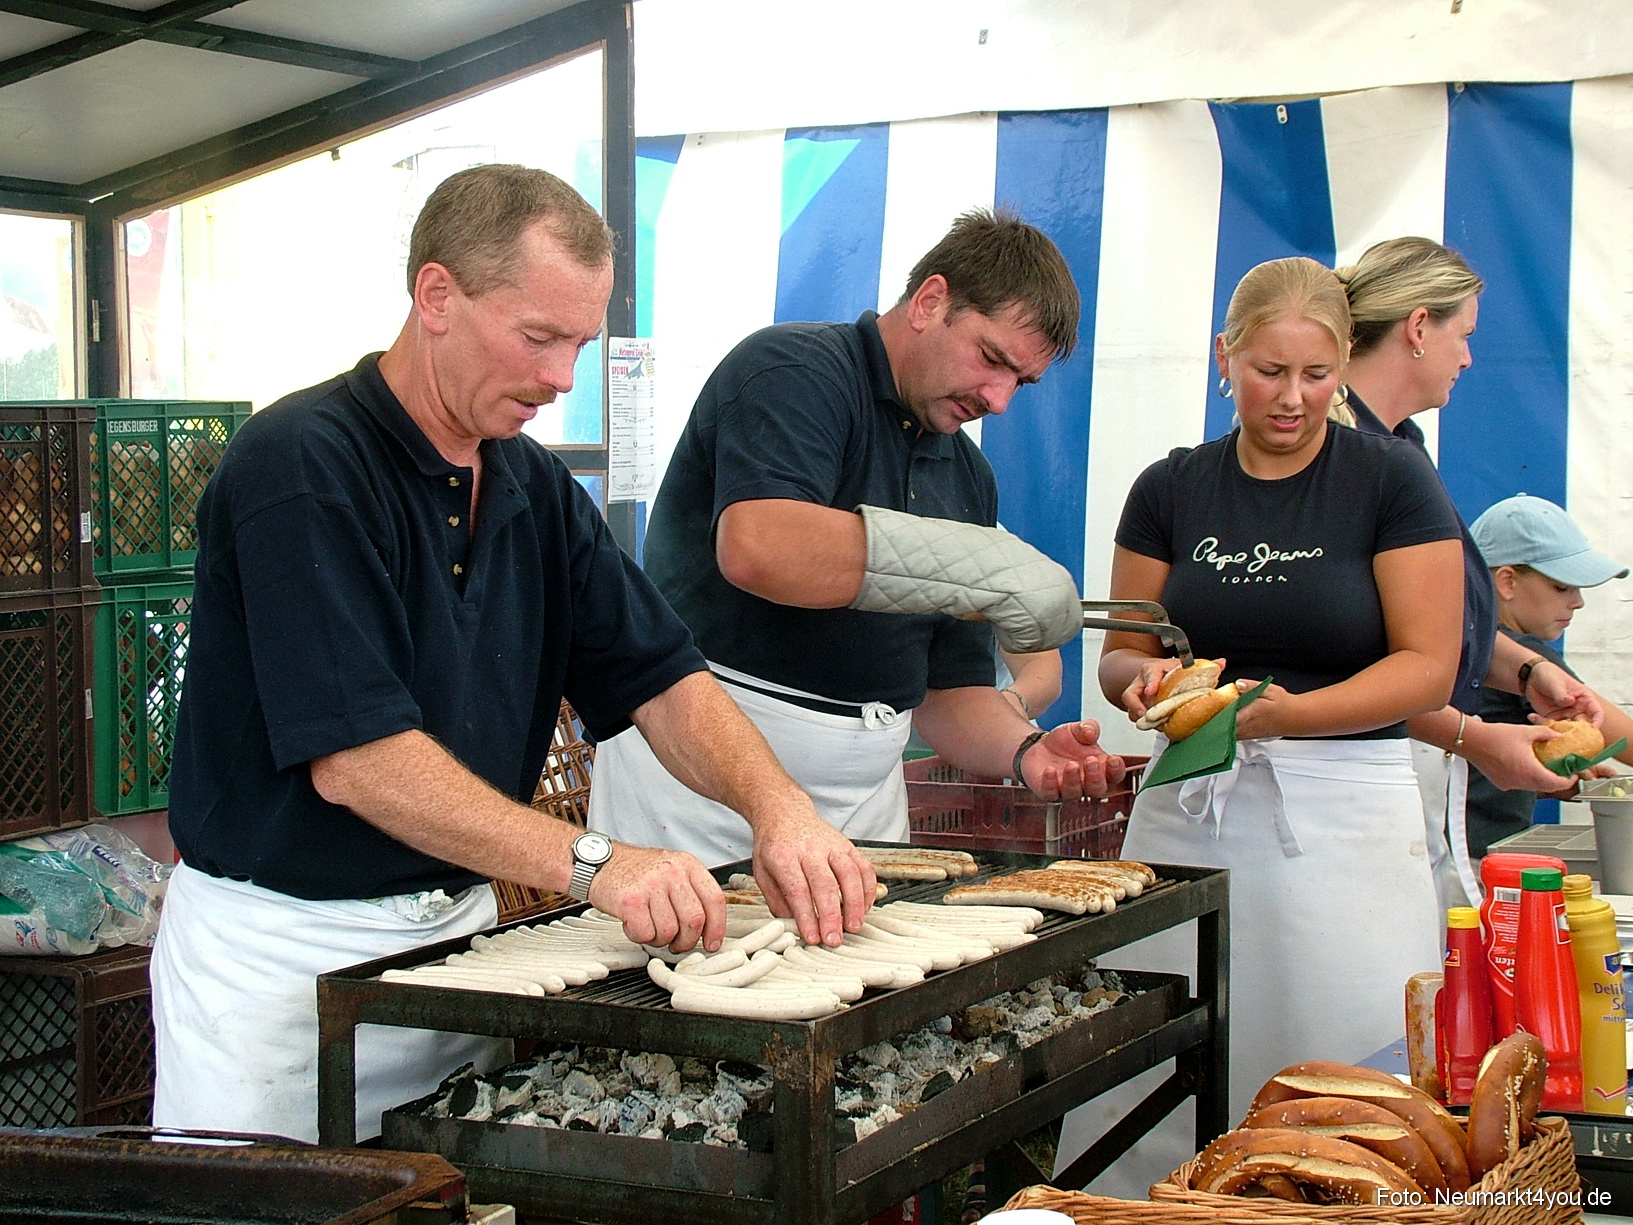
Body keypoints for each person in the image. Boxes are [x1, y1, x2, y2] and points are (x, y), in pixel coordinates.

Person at [150, 164, 875, 1144]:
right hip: (280, 963)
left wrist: (779, 809)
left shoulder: (533, 488)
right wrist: (595, 862)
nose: (562, 377)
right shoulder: (301, 464)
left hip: (457, 948)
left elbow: (662, 680)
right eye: (538, 337)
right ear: (436, 295)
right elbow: (360, 761)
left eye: (578, 341)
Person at [1061, 256, 1465, 1194]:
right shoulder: (1170, 486)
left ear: (1340, 368)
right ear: (1223, 358)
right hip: (1188, 810)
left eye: (1315, 376)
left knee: (1347, 1083)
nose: (1291, 399)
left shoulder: (1391, 481)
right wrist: (1143, 681)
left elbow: (1424, 664)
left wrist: (1288, 717)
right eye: (1266, 372)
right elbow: (1122, 648)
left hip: (1348, 816)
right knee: (1164, 1058)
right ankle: (1142, 1205)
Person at [588, 209, 1123, 863]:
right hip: (697, 788)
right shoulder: (795, 369)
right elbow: (759, 547)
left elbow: (946, 695)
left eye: (1022, 381)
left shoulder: (968, 476)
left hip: (863, 804)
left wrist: (1025, 750)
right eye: (991, 359)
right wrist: (983, 563)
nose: (1001, 398)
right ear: (930, 300)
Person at [1337, 236, 1602, 908]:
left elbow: (1443, 620)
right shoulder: (1345, 457)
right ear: (1418, 327)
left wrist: (1525, 670)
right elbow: (1345, 655)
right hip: (1350, 786)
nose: (1468, 356)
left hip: (1408, 777)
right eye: (1464, 334)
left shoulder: (1400, 446)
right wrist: (1476, 738)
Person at [1464, 494, 1633, 858]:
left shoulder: (1466, 639)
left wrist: (1547, 783)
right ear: (1506, 581)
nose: (1578, 601)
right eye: (1562, 587)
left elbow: (1471, 773)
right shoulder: (1523, 652)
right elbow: (1625, 738)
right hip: (1481, 860)